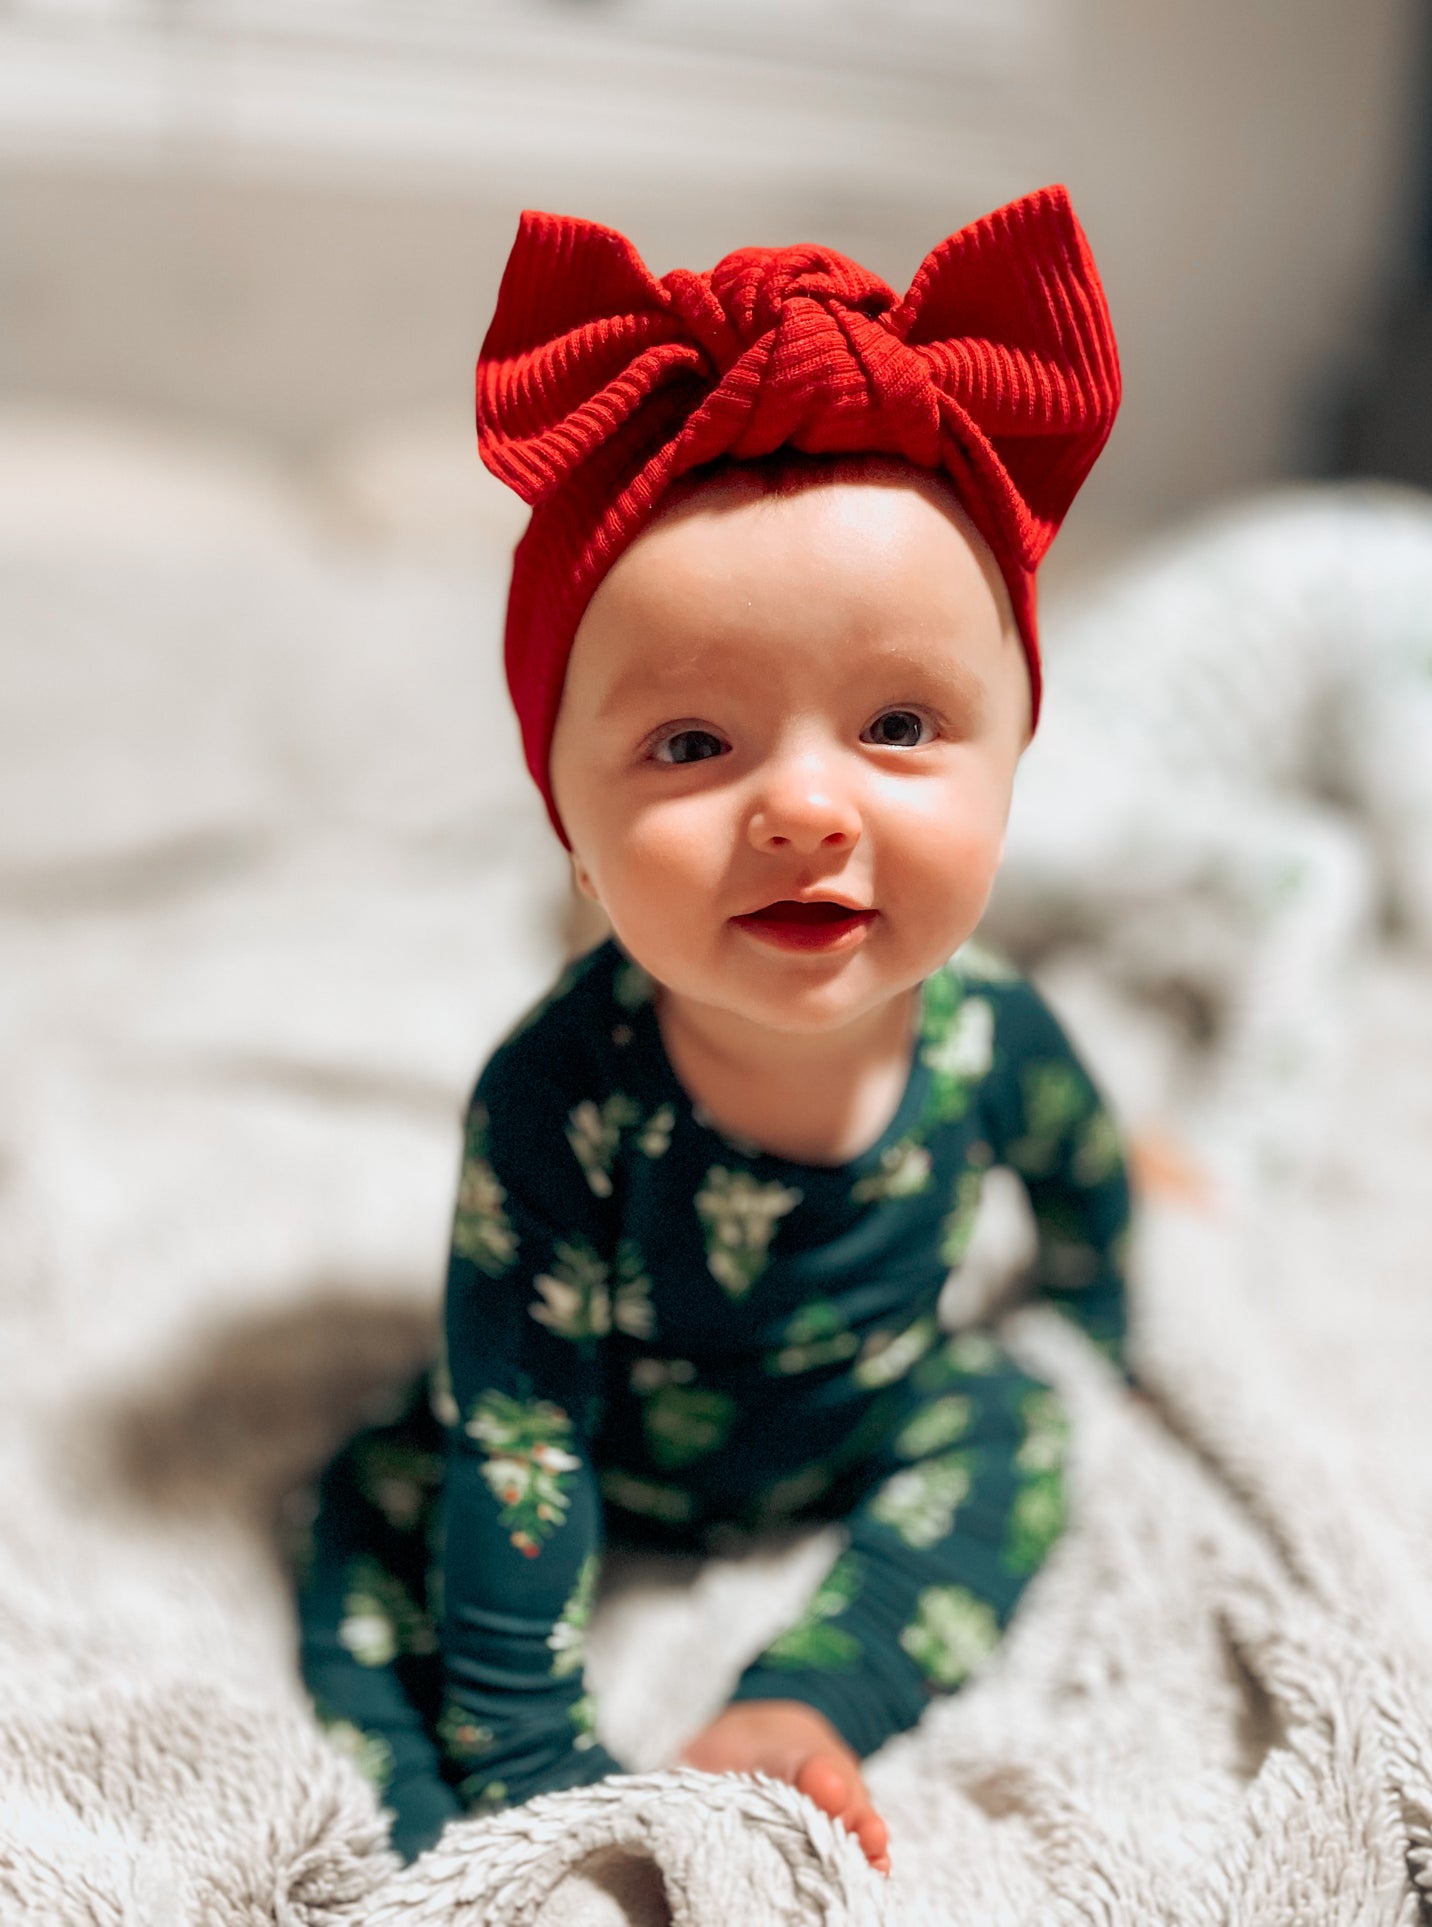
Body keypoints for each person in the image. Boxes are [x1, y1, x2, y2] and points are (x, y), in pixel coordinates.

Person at [291, 186, 1130, 1878]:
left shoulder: (989, 1030)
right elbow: (521, 1424)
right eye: (690, 747)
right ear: (569, 824)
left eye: (899, 725)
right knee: (365, 1511)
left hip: (870, 1416)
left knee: (1024, 1427)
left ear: (1016, 755)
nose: (806, 807)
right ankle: (436, 1813)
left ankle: (808, 1695)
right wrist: (534, 1761)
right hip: (604, 1443)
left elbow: (1078, 1162)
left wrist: (1102, 1300)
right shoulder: (556, 1098)